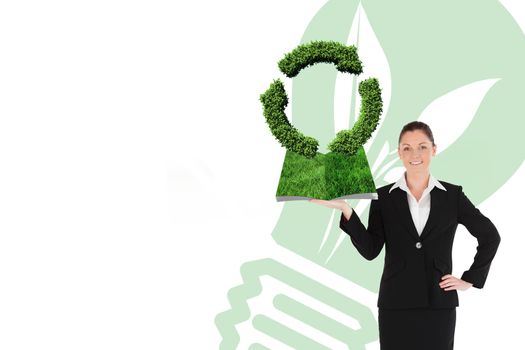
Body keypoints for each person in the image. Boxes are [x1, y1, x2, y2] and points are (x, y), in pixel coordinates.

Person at [309, 121, 501, 350]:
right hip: (395, 306)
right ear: (399, 152)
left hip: (438, 305)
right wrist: (346, 210)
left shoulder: (452, 196)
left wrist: (470, 279)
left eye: (422, 146)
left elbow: (490, 236)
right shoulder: (383, 197)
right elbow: (371, 250)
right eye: (407, 148)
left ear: (434, 149)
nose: (415, 154)